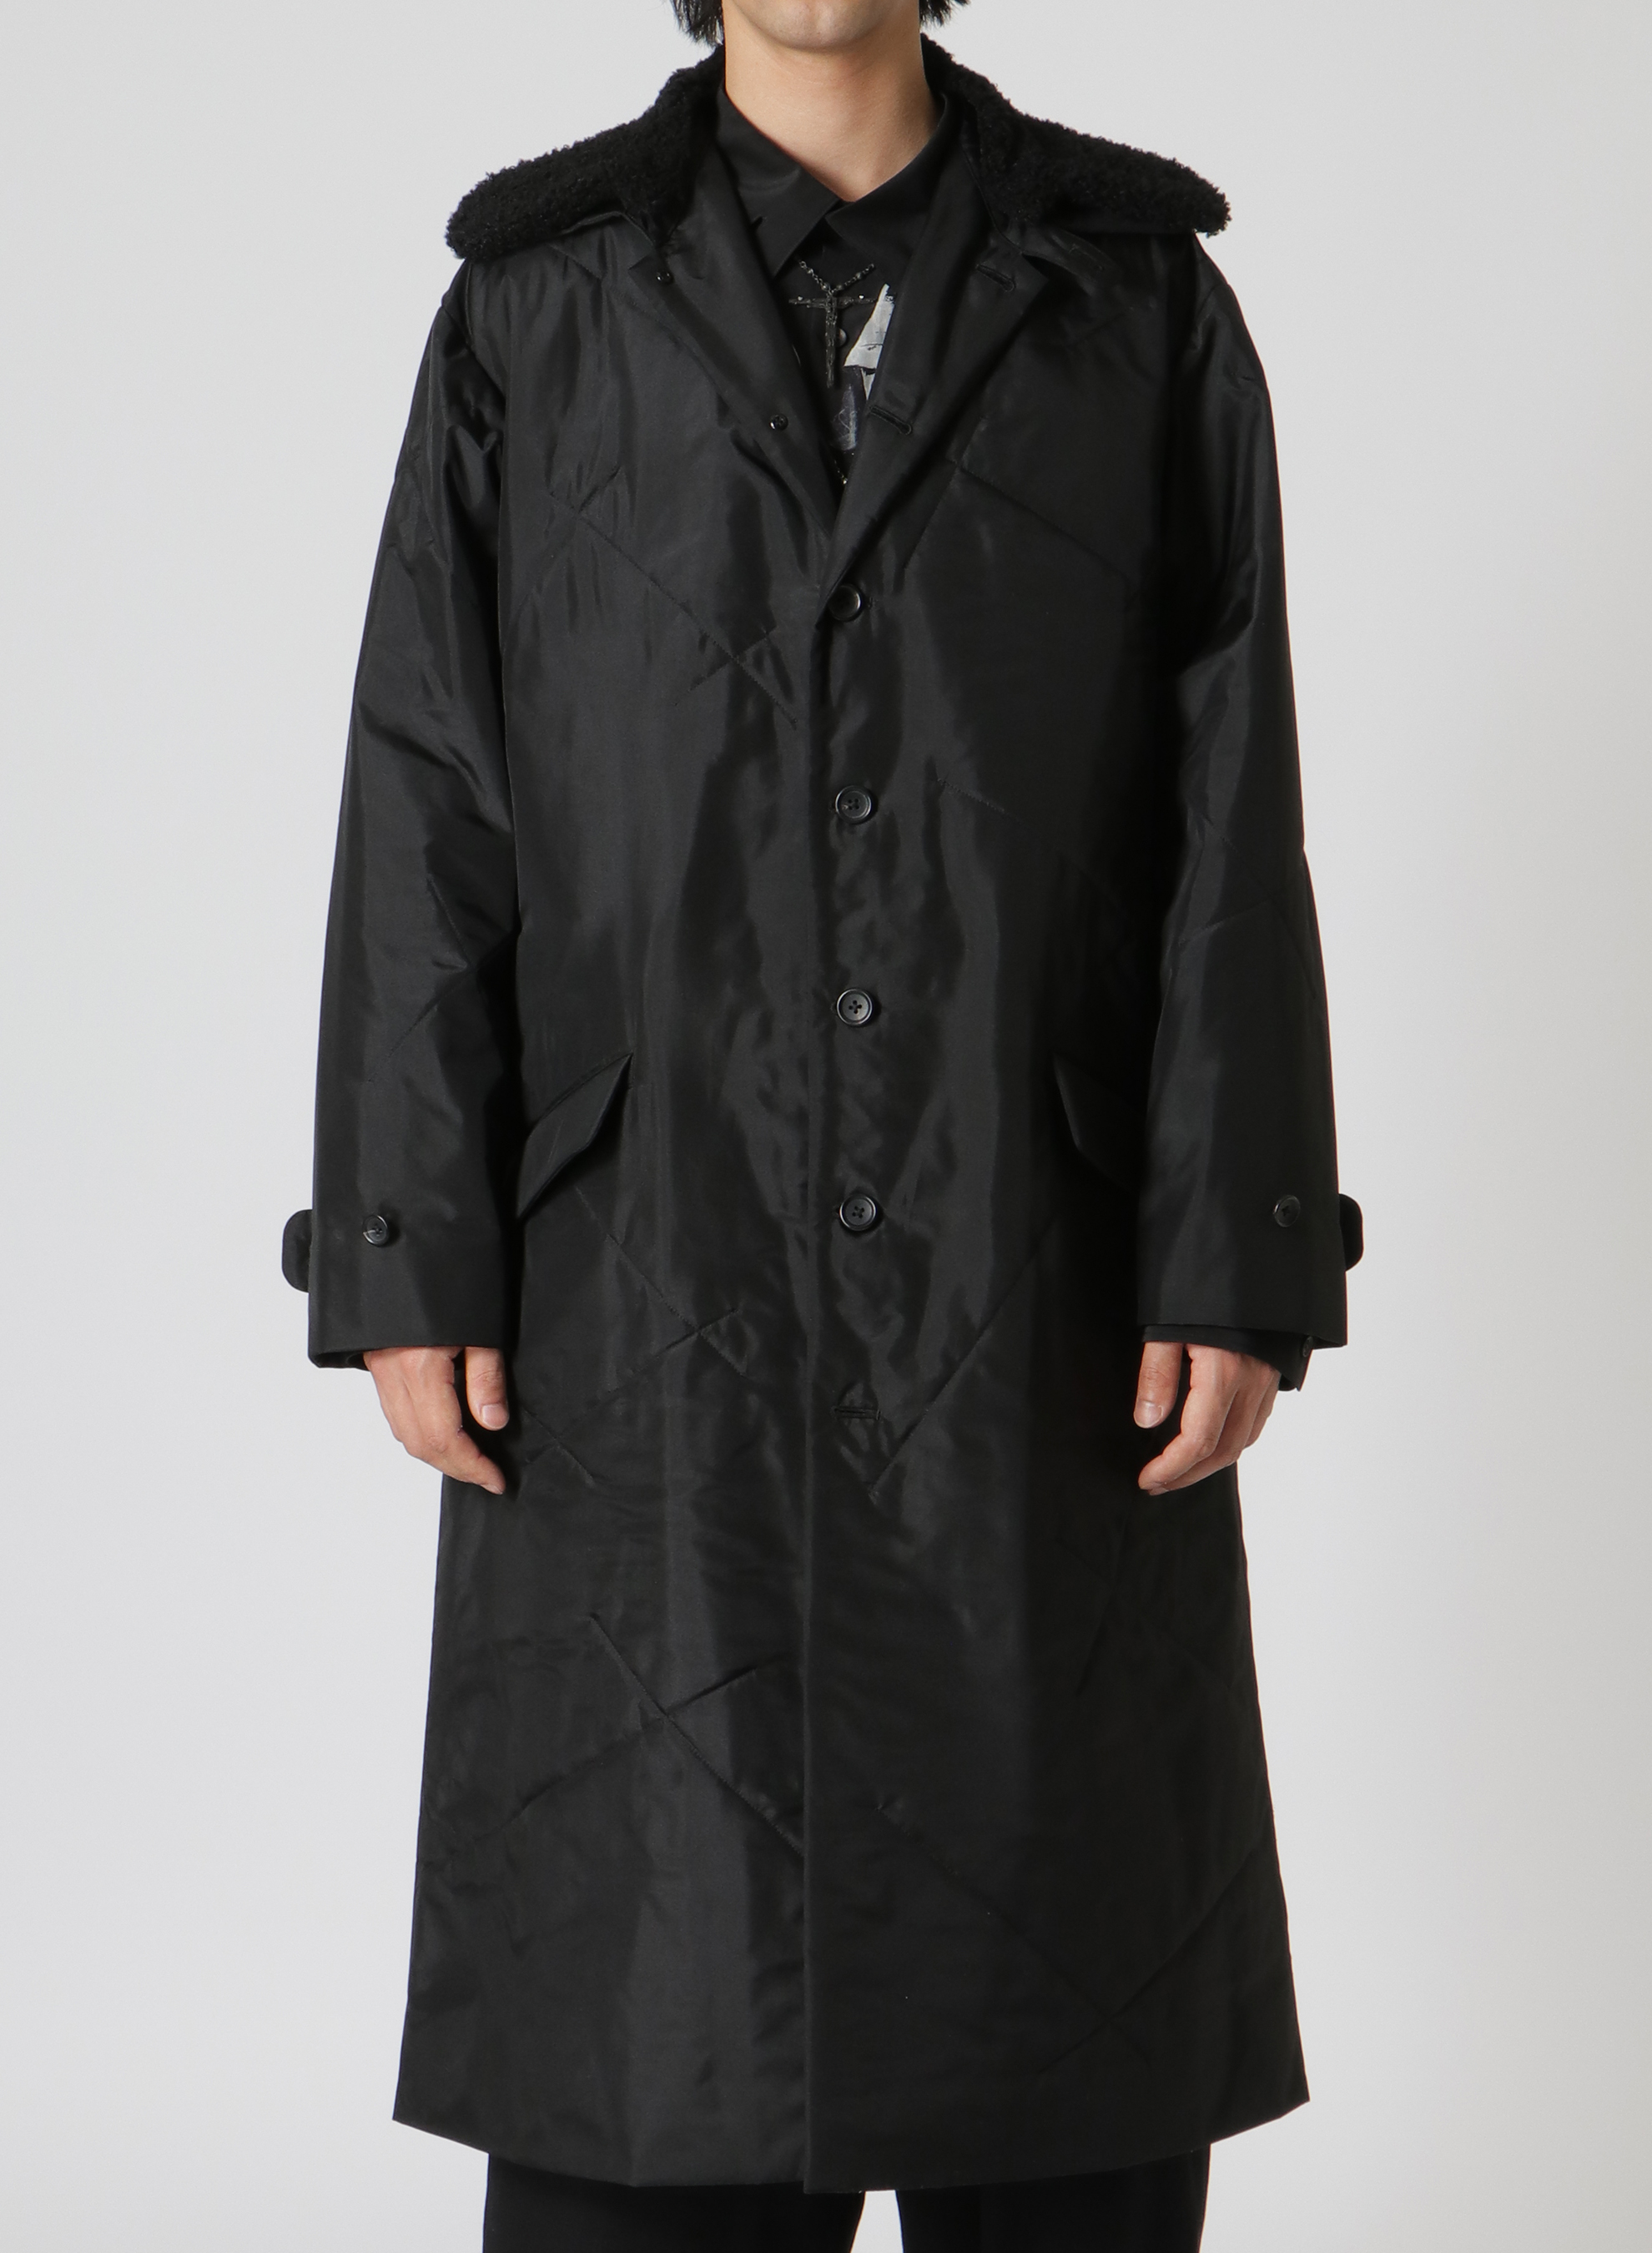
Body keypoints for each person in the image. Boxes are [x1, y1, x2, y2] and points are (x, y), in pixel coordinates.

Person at [282, 1, 1362, 2245]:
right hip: (634, 1297)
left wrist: (1234, 1246)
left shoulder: (1133, 299)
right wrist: (410, 1240)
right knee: (642, 2041)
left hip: (1036, 1296)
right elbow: (432, 780)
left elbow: (1229, 792)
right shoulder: (537, 304)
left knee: (1056, 2066)